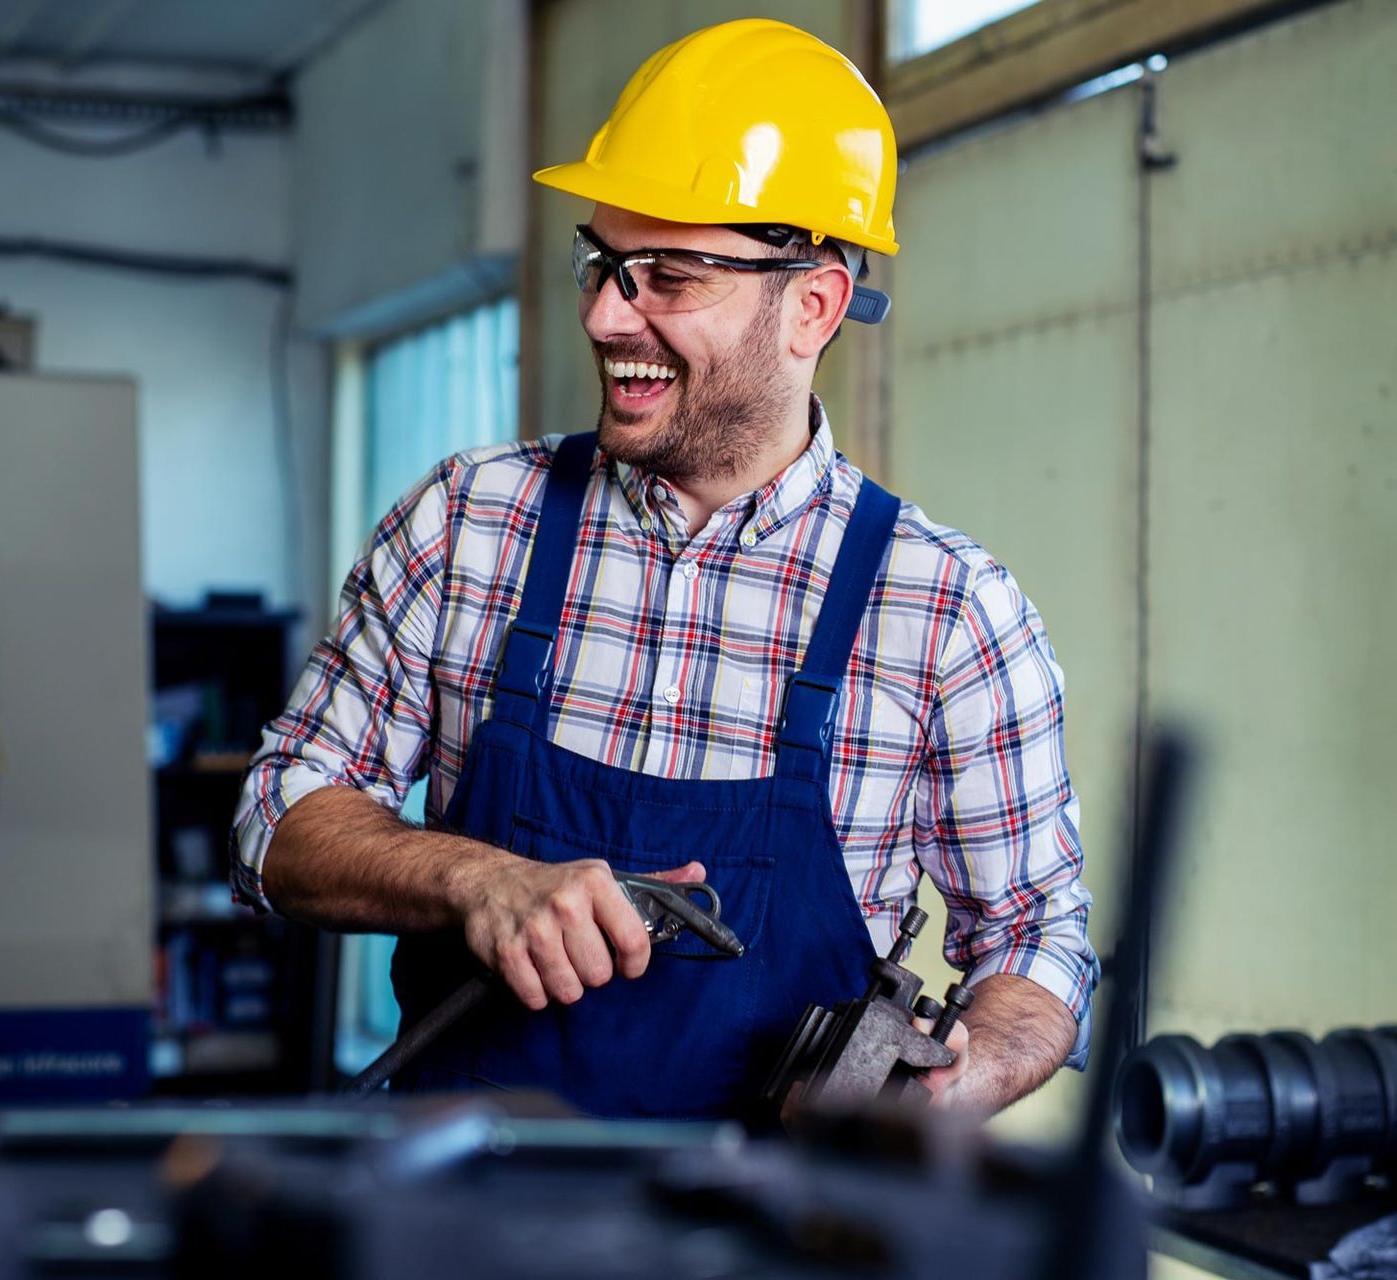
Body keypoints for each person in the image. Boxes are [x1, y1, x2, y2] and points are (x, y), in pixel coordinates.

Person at [232, 18, 1097, 1120]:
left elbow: (1036, 933)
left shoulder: (944, 612)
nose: (603, 314)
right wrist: (475, 878)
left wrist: (955, 1082)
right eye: (603, 263)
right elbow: (276, 814)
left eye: (667, 278)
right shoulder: (468, 523)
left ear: (813, 306)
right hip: (456, 1216)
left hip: (762, 1234)